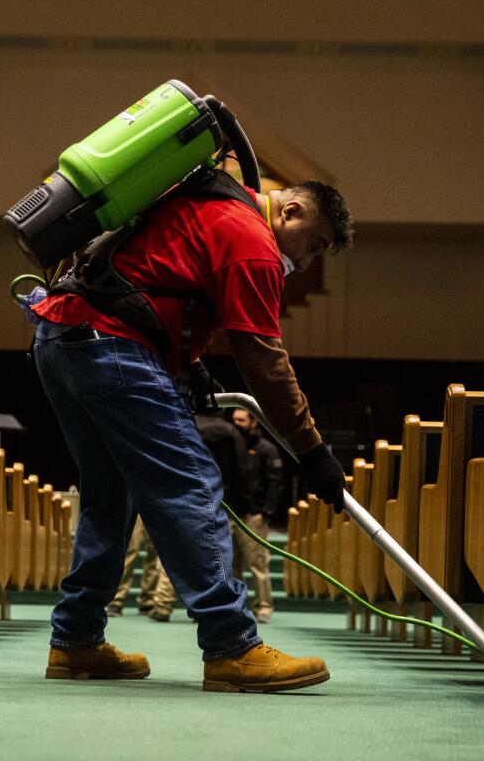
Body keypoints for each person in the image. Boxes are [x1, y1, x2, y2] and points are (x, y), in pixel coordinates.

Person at [31, 169, 353, 693]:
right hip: (114, 346)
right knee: (190, 485)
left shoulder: (209, 200)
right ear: (290, 211)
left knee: (109, 496)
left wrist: (188, 359)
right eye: (312, 245)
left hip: (61, 335)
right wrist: (311, 450)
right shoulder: (254, 242)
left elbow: (160, 273)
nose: (306, 263)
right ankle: (233, 648)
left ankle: (76, 640)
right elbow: (265, 362)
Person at [230, 407, 283, 623]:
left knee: (258, 565)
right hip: (230, 513)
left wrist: (266, 512)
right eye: (234, 420)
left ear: (253, 422)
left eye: (241, 420)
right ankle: (232, 608)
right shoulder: (230, 446)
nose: (237, 424)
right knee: (230, 565)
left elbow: (275, 483)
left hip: (253, 516)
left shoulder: (266, 449)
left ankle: (263, 607)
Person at [107, 516, 177, 621]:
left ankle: (147, 600)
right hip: (135, 504)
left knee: (155, 551)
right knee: (130, 548)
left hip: (159, 504)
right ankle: (116, 600)